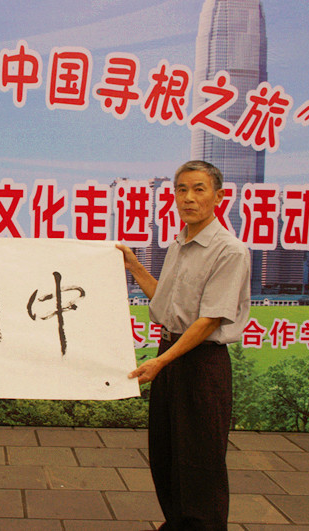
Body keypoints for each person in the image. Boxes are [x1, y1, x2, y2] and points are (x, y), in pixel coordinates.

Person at [116, 160, 250, 530]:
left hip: (202, 363)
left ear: (218, 197)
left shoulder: (229, 250)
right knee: (166, 454)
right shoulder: (178, 245)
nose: (188, 198)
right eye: (181, 189)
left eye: (198, 189)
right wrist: (134, 266)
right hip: (170, 356)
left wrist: (161, 363)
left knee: (200, 460)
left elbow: (209, 320)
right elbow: (166, 304)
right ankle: (176, 524)